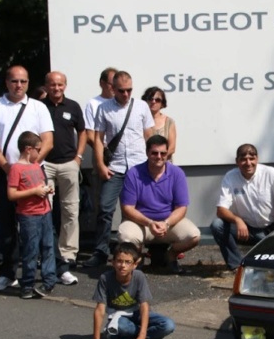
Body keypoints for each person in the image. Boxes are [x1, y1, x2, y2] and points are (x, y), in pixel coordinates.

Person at [0, 66, 54, 291]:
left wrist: (29, 167)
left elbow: (48, 140)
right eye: (14, 81)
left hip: (34, 176)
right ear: (6, 82)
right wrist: (8, 168)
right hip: (6, 173)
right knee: (6, 225)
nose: (19, 85)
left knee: (41, 227)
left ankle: (42, 275)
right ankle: (7, 273)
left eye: (23, 81)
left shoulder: (38, 107)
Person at [84, 70, 154, 268]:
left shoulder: (141, 107)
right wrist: (100, 164)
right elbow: (98, 139)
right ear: (112, 89)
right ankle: (100, 251)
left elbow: (149, 135)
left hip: (139, 167)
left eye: (129, 90)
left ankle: (131, 254)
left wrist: (156, 162)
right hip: (115, 167)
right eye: (121, 90)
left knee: (134, 211)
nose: (126, 94)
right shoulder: (104, 108)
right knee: (105, 208)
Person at [117, 135, 201, 273]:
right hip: (141, 223)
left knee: (194, 235)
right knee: (125, 236)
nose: (159, 157)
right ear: (147, 153)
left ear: (167, 154)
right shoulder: (134, 173)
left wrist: (166, 223)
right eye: (154, 153)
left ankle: (171, 255)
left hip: (168, 223)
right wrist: (150, 223)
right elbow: (127, 208)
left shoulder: (177, 173)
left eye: (163, 153)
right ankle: (138, 258)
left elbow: (181, 208)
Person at [211, 144, 274, 271]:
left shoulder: (271, 174)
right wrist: (238, 221)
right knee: (217, 225)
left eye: (252, 158)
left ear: (257, 159)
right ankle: (237, 266)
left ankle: (271, 250)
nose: (248, 163)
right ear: (237, 161)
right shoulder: (230, 177)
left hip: (270, 229)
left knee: (272, 266)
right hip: (246, 230)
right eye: (243, 159)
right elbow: (221, 210)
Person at [78, 242, 175, 339]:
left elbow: (144, 306)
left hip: (135, 313)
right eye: (119, 261)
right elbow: (100, 310)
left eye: (128, 262)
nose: (123, 266)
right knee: (122, 326)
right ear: (113, 262)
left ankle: (130, 336)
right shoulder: (105, 278)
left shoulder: (139, 277)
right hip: (119, 317)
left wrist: (142, 336)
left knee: (168, 325)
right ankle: (119, 333)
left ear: (135, 265)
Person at [42, 71, 84, 283]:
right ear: (47, 86)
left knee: (70, 210)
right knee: (44, 211)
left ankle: (68, 253)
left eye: (60, 85)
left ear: (65, 86)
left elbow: (83, 131)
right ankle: (48, 252)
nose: (56, 88)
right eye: (52, 85)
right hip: (46, 165)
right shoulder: (39, 106)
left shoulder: (73, 106)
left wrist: (78, 157)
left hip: (68, 163)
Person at [7, 131, 58, 299]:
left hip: (45, 212)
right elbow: (12, 194)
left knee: (48, 247)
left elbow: (40, 184)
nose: (40, 152)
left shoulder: (36, 165)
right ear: (28, 149)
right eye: (38, 149)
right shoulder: (16, 168)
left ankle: (49, 281)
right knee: (31, 249)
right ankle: (27, 284)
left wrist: (47, 189)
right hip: (29, 215)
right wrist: (34, 191)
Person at [142, 86, 177, 160]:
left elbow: (172, 147)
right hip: (144, 164)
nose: (153, 102)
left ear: (162, 103)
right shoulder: (140, 121)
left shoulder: (169, 122)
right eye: (150, 99)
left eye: (157, 100)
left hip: (164, 164)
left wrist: (159, 159)